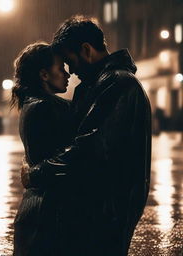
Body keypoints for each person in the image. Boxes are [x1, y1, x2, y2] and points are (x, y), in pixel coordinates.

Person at [21, 16, 152, 256]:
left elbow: (91, 148)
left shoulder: (119, 84)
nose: (70, 70)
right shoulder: (97, 84)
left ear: (86, 50)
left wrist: (36, 173)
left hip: (107, 211)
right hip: (92, 209)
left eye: (69, 61)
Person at [11, 42, 72, 256]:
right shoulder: (51, 107)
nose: (67, 74)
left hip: (31, 209)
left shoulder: (28, 105)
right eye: (61, 69)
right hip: (51, 215)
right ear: (44, 75)